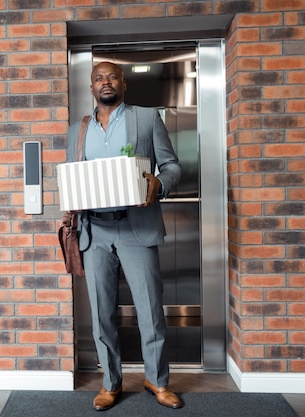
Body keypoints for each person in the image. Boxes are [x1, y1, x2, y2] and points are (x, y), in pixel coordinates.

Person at [66, 62, 182, 411]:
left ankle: (157, 381)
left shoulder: (146, 119)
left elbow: (172, 166)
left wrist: (159, 183)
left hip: (137, 227)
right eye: (99, 78)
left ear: (123, 84)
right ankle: (110, 383)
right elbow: (74, 176)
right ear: (91, 88)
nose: (106, 82)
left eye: (112, 76)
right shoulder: (78, 130)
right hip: (95, 231)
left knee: (149, 309)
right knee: (101, 314)